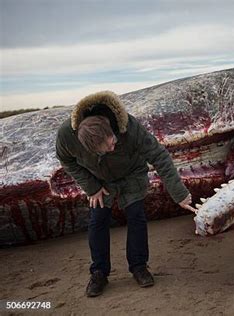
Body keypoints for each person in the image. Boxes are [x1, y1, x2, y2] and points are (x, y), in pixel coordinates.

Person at [55, 90, 197, 297]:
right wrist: (91, 187)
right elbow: (66, 161)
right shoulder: (67, 135)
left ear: (112, 130)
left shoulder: (130, 128)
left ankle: (139, 267)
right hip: (99, 180)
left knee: (136, 216)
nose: (111, 150)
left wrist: (179, 193)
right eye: (104, 151)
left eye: (112, 144)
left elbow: (159, 156)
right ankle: (99, 273)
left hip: (131, 173)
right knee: (97, 221)